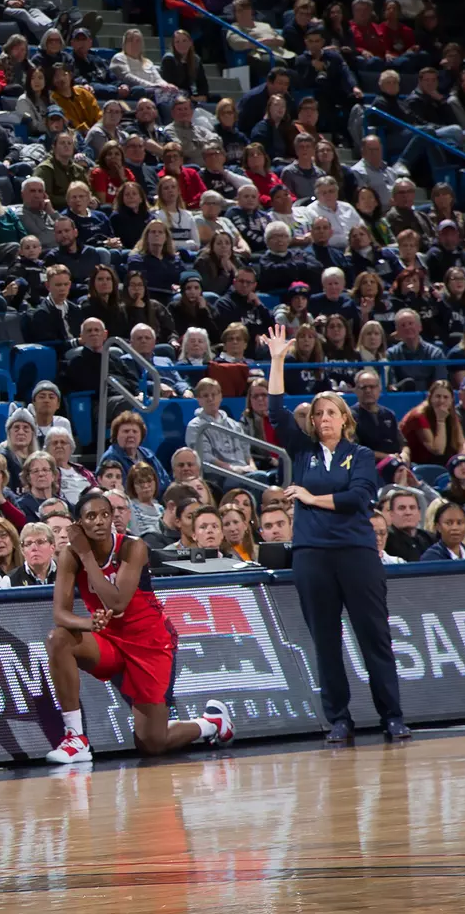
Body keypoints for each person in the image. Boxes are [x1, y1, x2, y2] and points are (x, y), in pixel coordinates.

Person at [260, 323, 406, 743]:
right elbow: (275, 412)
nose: (324, 418)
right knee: (325, 642)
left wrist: (309, 497)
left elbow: (358, 498)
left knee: (374, 637)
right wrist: (277, 360)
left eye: (331, 413)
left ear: (345, 419)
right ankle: (339, 719)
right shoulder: (303, 451)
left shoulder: (359, 455)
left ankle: (392, 715)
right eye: (318, 413)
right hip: (312, 556)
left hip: (356, 554)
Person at [44, 491, 236, 764]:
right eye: (91, 516)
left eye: (105, 514)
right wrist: (88, 623)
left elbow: (117, 602)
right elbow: (60, 614)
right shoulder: (69, 556)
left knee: (152, 743)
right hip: (110, 641)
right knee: (58, 639)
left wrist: (86, 555)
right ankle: (76, 738)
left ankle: (211, 723)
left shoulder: (133, 547)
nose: (99, 521)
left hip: (150, 643)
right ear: (79, 524)